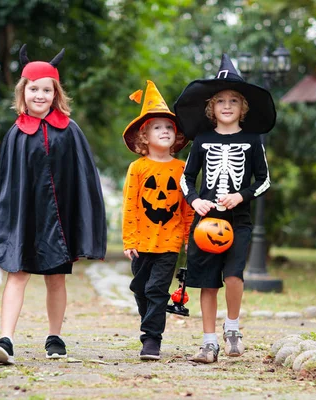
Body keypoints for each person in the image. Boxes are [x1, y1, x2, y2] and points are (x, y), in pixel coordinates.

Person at [0, 45, 107, 364]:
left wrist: (84, 224)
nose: (40, 95)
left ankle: (55, 336)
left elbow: (83, 180)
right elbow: (1, 183)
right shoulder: (16, 133)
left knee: (55, 279)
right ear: (24, 91)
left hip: (56, 223)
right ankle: (6, 338)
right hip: (22, 219)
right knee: (17, 274)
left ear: (55, 93)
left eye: (47, 90)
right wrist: (0, 222)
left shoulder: (69, 131)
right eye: (34, 89)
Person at [174, 54, 276, 363]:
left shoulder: (252, 139)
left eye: (234, 100)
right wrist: (196, 201)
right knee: (207, 280)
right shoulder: (202, 140)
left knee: (233, 275)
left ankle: (232, 328)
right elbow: (186, 178)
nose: (227, 105)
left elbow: (265, 180)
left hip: (237, 219)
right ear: (211, 107)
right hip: (206, 219)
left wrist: (242, 196)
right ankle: (208, 342)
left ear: (243, 107)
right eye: (220, 100)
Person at [122, 80, 194, 360]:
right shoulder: (137, 168)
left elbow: (187, 207)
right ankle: (149, 324)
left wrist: (188, 238)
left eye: (169, 127)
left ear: (176, 136)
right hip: (141, 241)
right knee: (140, 288)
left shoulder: (182, 168)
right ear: (144, 136)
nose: (164, 131)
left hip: (169, 241)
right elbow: (129, 205)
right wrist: (129, 239)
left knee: (156, 289)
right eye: (157, 127)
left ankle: (151, 339)